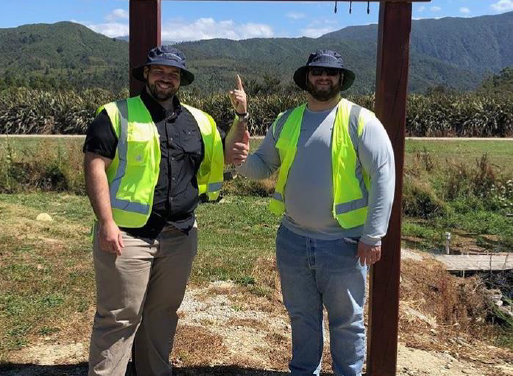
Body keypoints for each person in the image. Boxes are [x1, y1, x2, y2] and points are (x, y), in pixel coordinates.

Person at [231, 49, 395, 376]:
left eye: (330, 73)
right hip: (293, 240)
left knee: (346, 322)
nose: (323, 77)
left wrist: (373, 235)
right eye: (317, 72)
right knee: (302, 318)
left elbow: (384, 176)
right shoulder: (287, 120)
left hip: (344, 245)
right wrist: (239, 158)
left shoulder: (360, 120)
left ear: (340, 79)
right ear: (307, 78)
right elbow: (262, 167)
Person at [84, 45, 244, 376]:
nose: (165, 79)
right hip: (127, 237)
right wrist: (107, 222)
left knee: (162, 315)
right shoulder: (116, 114)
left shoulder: (199, 121)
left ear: (181, 80)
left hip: (179, 236)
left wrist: (242, 116)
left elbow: (227, 157)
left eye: (173, 74)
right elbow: (95, 165)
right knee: (118, 318)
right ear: (146, 74)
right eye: (158, 71)